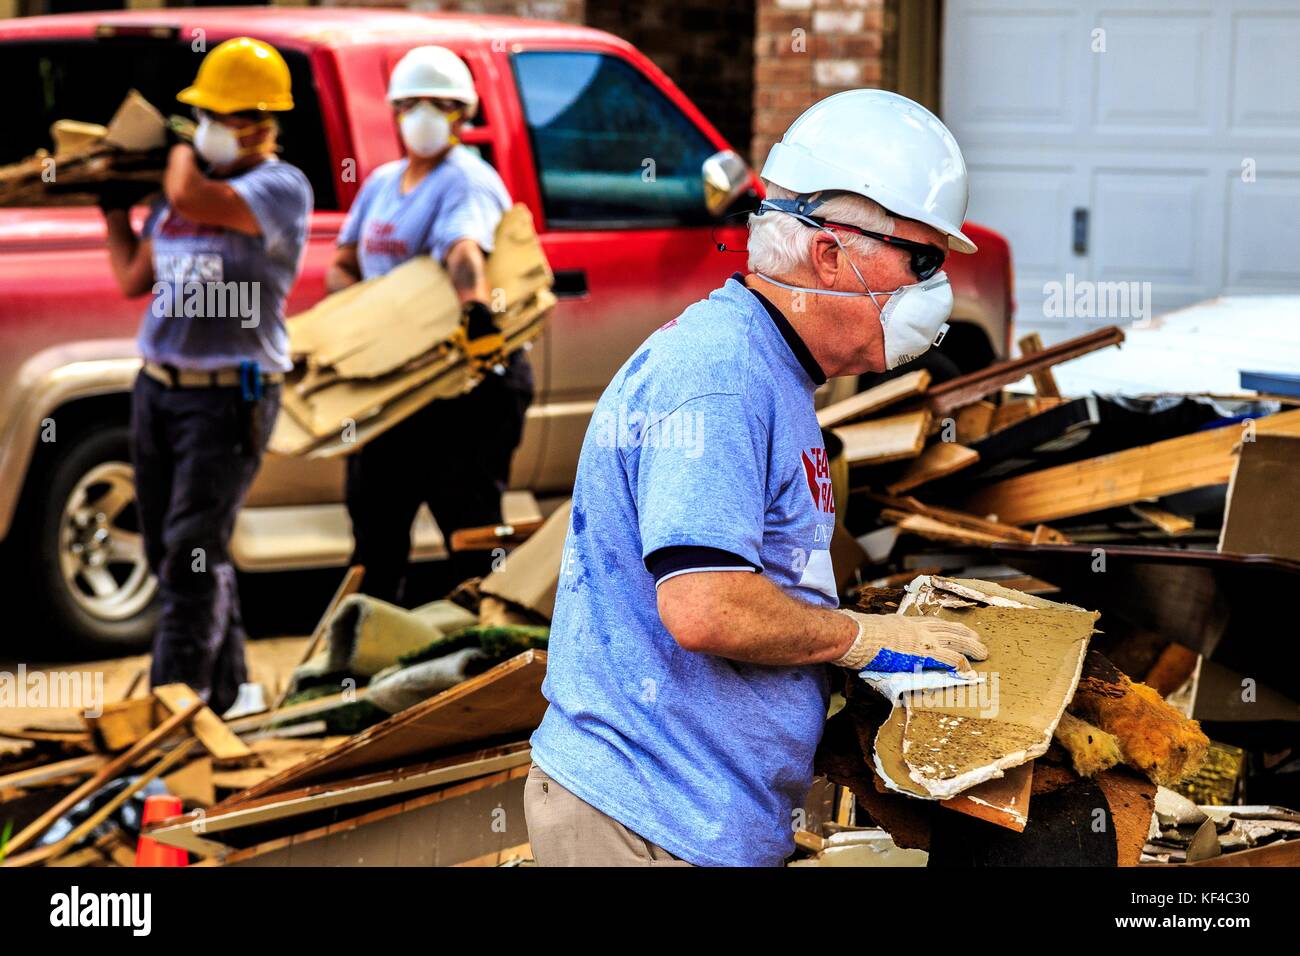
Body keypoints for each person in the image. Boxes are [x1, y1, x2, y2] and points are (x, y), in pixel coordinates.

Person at [524, 90, 990, 866]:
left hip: (698, 814)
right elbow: (705, 607)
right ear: (831, 254)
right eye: (923, 260)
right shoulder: (721, 378)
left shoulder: (772, 370)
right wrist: (862, 640)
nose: (935, 289)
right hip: (645, 820)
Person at [100, 37, 313, 716]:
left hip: (228, 400)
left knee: (193, 548)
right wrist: (111, 211)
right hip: (159, 389)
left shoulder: (278, 188)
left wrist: (175, 143)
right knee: (181, 554)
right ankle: (231, 695)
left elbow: (190, 189)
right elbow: (135, 275)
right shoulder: (180, 197)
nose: (208, 129)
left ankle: (171, 716)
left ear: (258, 122)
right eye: (203, 118)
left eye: (217, 118)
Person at [327, 45, 532, 605]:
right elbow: (342, 265)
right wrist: (368, 313)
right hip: (394, 387)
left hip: (463, 389)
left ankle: (483, 664)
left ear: (462, 116)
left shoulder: (467, 179)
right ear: (393, 111)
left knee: (467, 535)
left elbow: (463, 252)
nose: (422, 115)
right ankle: (363, 667)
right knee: (374, 535)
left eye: (438, 105)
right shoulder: (382, 184)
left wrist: (474, 308)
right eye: (411, 103)